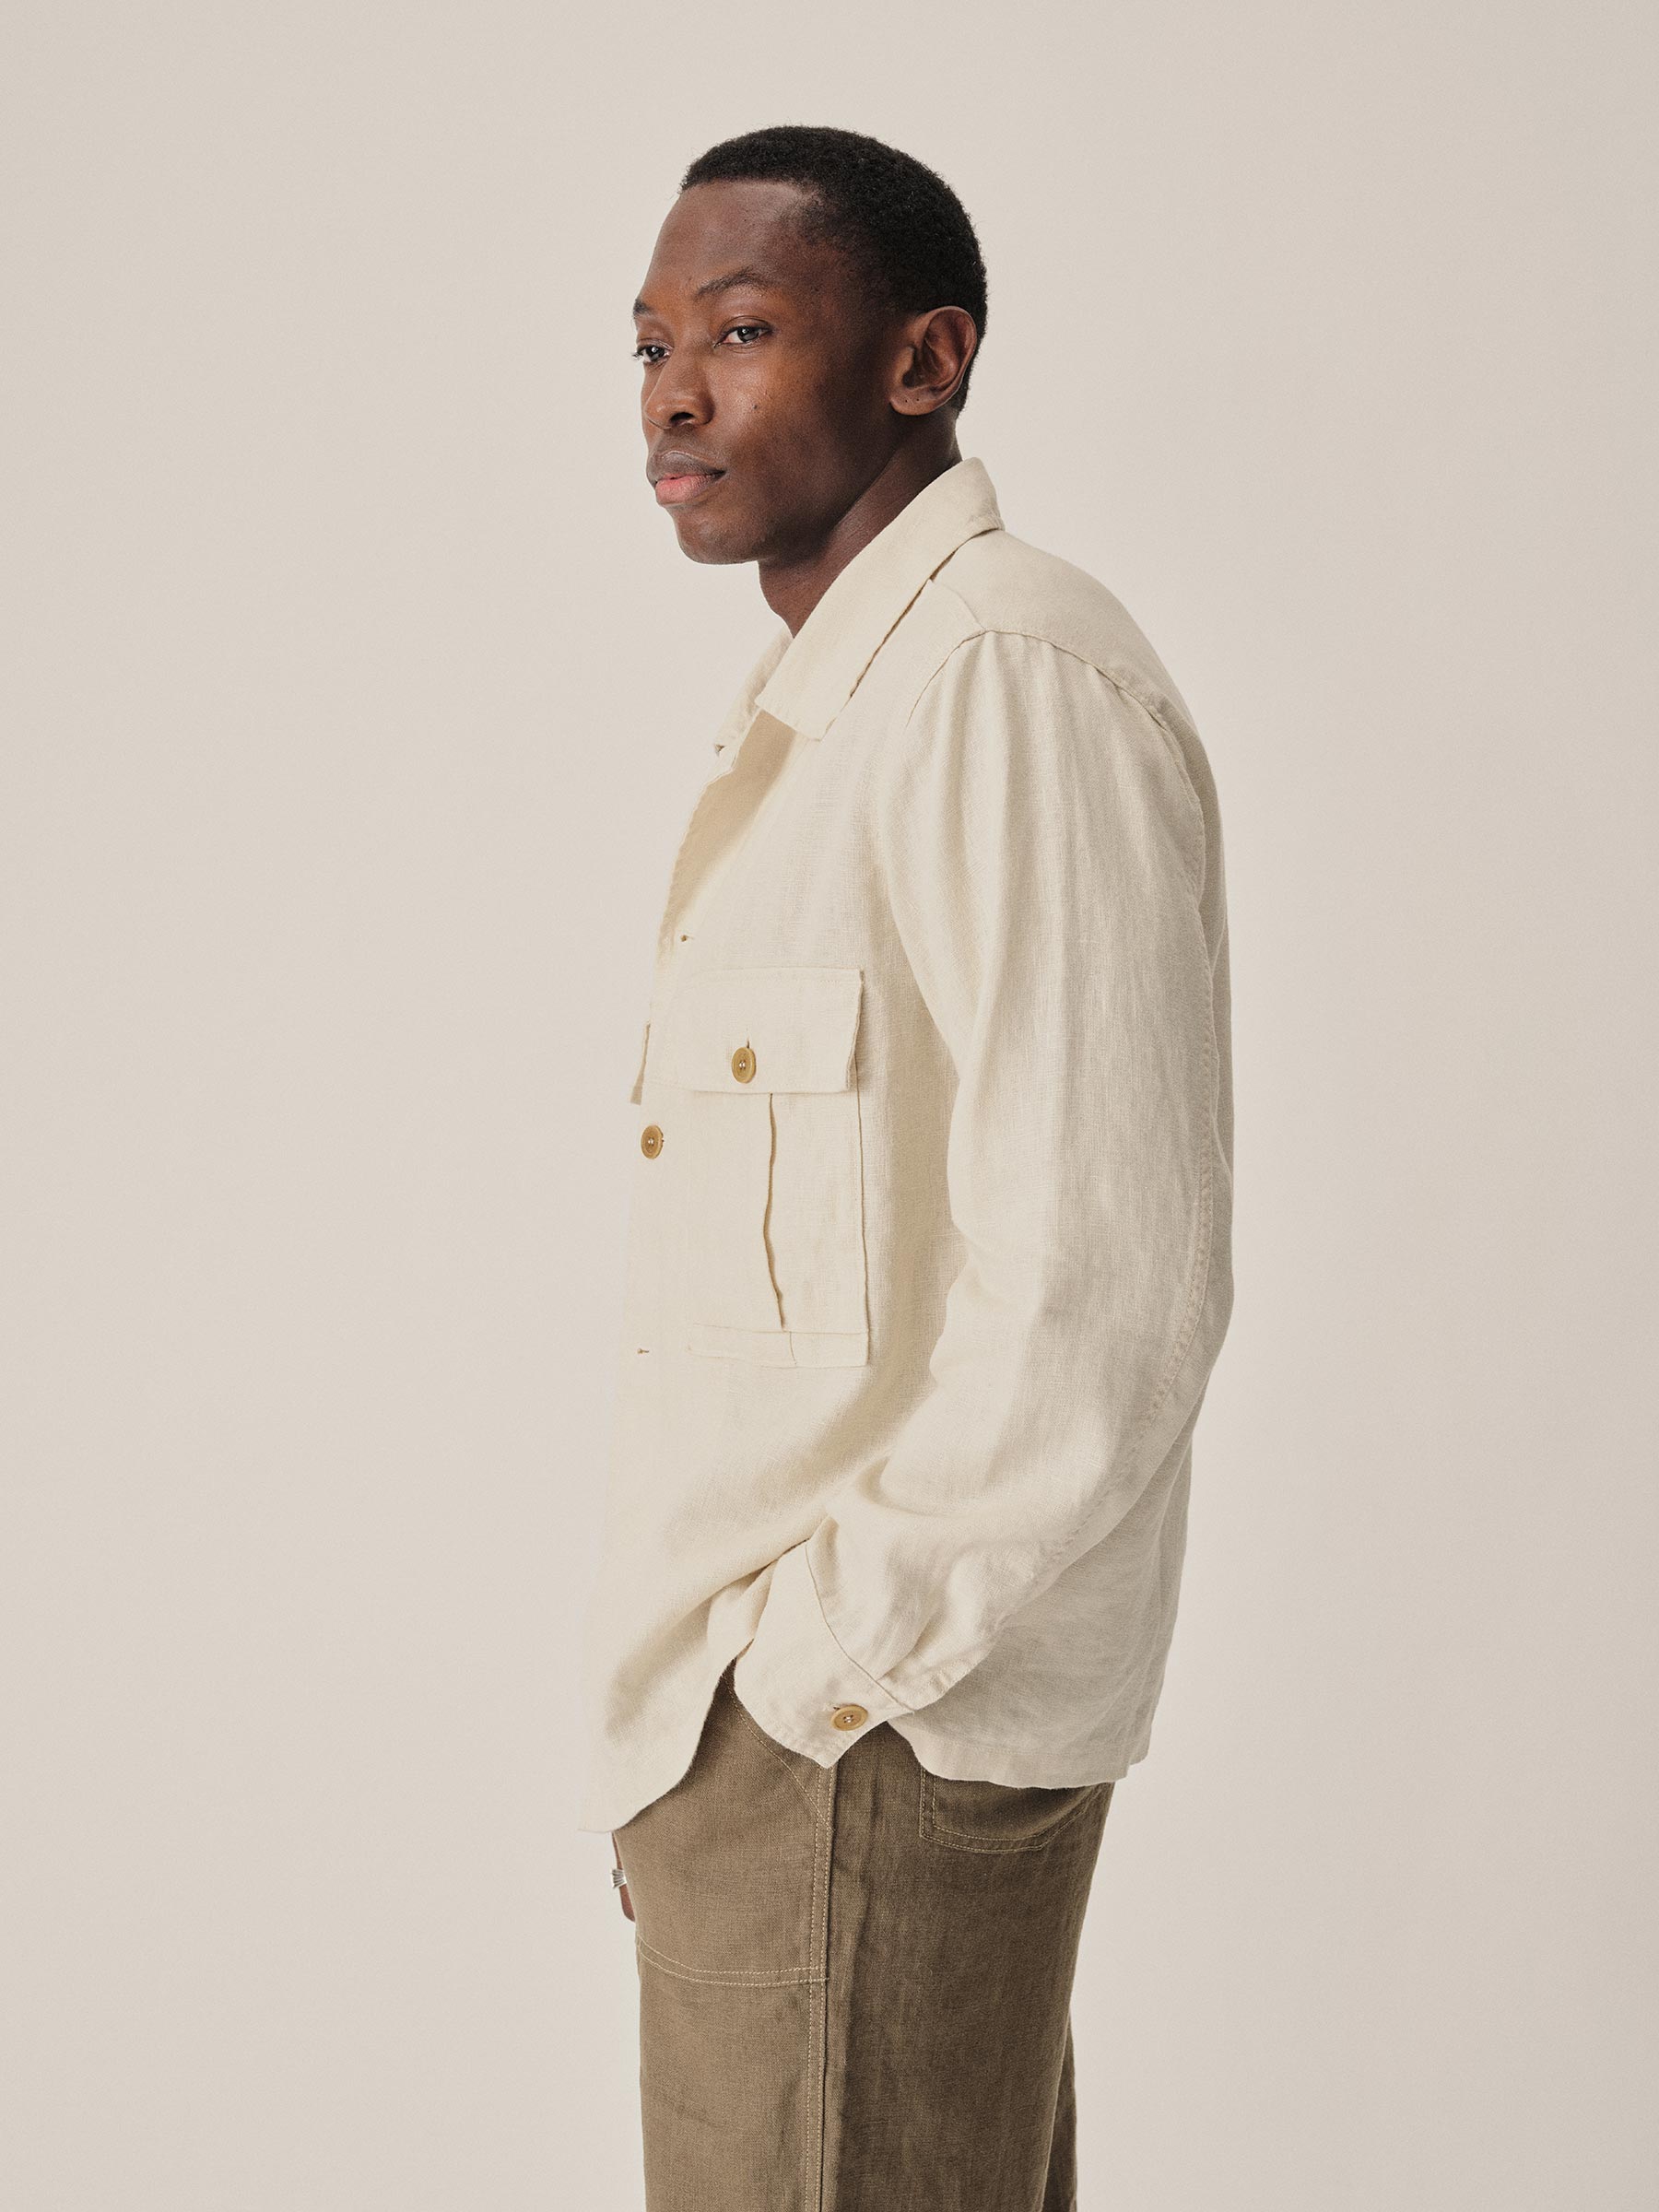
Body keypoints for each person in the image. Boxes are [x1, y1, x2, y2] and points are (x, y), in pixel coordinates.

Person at [577, 123, 1234, 2212]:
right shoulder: (826, 717)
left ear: (923, 361)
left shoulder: (997, 682)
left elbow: (1107, 1282)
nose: (676, 394)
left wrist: (810, 1690)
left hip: (868, 1745)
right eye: (652, 345)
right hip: (777, 1747)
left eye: (741, 331)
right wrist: (715, 1725)